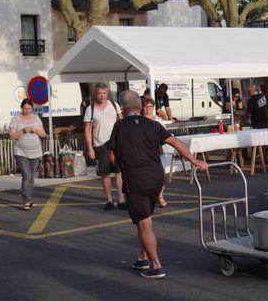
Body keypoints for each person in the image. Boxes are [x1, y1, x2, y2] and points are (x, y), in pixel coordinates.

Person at [108, 90, 208, 279]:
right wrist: (195, 162)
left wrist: (118, 166)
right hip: (156, 178)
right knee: (145, 218)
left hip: (136, 179)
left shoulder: (119, 126)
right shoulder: (153, 124)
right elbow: (175, 142)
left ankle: (156, 265)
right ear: (139, 106)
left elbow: (113, 154)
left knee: (144, 223)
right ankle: (143, 257)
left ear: (122, 108)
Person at [84, 82, 125, 211]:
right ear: (95, 94)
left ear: (108, 93)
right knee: (105, 174)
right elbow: (87, 130)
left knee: (119, 172)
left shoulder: (115, 105)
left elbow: (122, 122)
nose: (102, 96)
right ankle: (109, 200)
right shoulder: (90, 109)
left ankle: (122, 200)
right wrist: (90, 148)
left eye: (104, 93)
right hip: (100, 145)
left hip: (115, 144)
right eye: (99, 93)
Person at [9, 99, 46, 211]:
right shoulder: (15, 119)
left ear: (32, 109)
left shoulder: (36, 118)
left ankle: (30, 199)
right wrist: (23, 131)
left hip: (35, 151)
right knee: (27, 176)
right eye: (25, 108)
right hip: (20, 151)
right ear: (21, 108)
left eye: (29, 108)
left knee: (32, 177)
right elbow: (11, 136)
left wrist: (36, 131)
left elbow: (43, 134)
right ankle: (26, 200)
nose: (27, 110)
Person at [142, 96, 168, 208]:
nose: (148, 108)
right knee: (147, 177)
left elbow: (165, 137)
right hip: (145, 153)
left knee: (161, 176)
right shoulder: (139, 120)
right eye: (145, 106)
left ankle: (160, 195)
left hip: (158, 152)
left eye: (150, 106)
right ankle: (150, 197)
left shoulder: (158, 121)